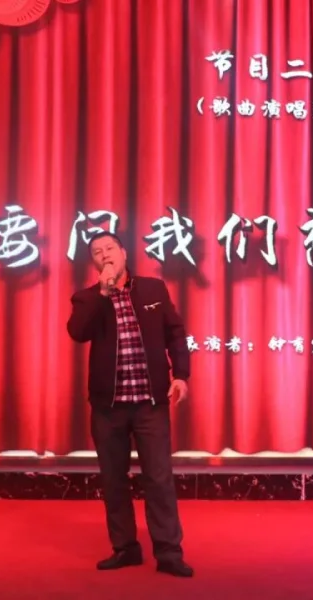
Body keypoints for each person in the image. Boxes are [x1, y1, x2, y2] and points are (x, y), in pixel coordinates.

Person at [66, 231, 193, 577]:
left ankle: (169, 552)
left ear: (124, 253)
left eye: (110, 248)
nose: (105, 255)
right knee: (113, 480)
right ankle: (125, 548)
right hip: (108, 408)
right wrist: (103, 293)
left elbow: (175, 333)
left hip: (150, 404)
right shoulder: (87, 298)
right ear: (93, 262)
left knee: (159, 478)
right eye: (97, 252)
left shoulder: (153, 289)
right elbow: (78, 332)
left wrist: (181, 375)